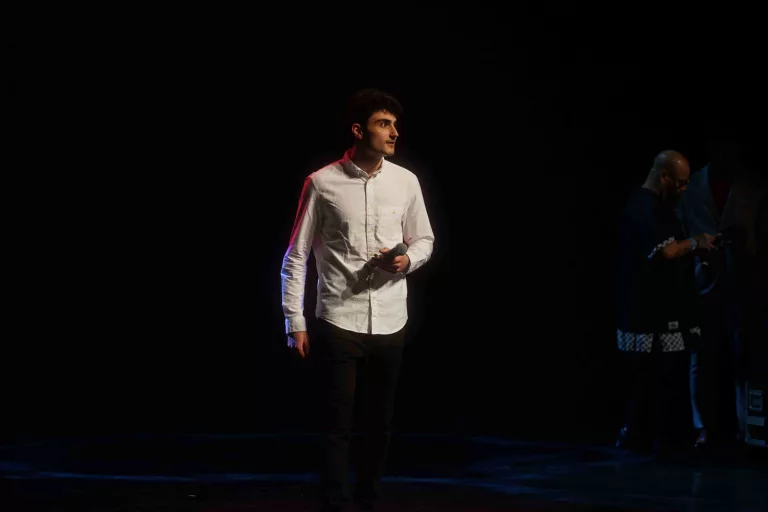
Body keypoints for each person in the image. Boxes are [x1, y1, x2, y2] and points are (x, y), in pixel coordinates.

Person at [280, 88, 435, 511]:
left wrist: (408, 261)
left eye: (395, 125)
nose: (393, 133)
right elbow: (296, 257)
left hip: (390, 316)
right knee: (337, 421)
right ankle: (335, 498)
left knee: (379, 422)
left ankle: (369, 496)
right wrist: (295, 322)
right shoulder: (322, 182)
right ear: (357, 130)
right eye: (383, 124)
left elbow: (424, 239)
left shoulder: (406, 181)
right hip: (338, 316)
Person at [615, 150, 716, 456]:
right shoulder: (644, 209)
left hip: (656, 314)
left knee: (659, 376)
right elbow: (664, 252)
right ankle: (640, 438)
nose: (684, 189)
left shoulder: (657, 206)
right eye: (681, 183)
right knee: (652, 377)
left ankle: (648, 438)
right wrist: (696, 242)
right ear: (664, 176)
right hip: (648, 316)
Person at [680, 138, 767, 450]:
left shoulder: (752, 187)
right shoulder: (692, 185)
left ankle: (746, 428)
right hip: (702, 279)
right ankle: (703, 427)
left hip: (740, 281)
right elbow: (684, 227)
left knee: (742, 356)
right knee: (700, 356)